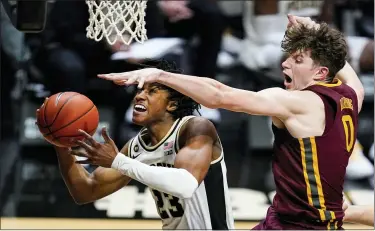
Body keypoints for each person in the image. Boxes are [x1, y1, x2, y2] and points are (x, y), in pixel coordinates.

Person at [99, 15, 365, 230]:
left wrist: (161, 75)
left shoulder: (297, 102)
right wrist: (317, 31)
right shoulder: (351, 95)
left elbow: (219, 95)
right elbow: (342, 65)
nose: (285, 64)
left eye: (297, 60)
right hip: (293, 221)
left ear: (320, 73)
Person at [36, 63, 234, 230]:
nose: (139, 96)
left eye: (152, 91)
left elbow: (185, 185)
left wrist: (118, 161)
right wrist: (59, 141)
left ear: (171, 105)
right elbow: (86, 191)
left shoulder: (195, 128)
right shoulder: (137, 146)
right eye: (140, 90)